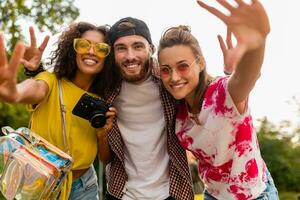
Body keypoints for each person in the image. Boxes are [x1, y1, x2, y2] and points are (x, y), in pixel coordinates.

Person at [157, 0, 279, 200]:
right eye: (165, 69)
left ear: (201, 63)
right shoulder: (178, 112)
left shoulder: (223, 93)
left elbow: (244, 78)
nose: (174, 77)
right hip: (213, 195)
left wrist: (257, 43)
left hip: (254, 195)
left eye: (183, 66)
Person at [0, 22, 117, 200]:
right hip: (40, 183)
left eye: (101, 48)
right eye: (83, 44)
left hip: (85, 187)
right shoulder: (52, 81)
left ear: (108, 57)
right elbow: (35, 88)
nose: (91, 52)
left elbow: (105, 159)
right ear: (72, 49)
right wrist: (15, 93)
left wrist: (102, 134)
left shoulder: (102, 101)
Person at [102, 17, 194, 200]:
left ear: (151, 49)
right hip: (121, 192)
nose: (130, 56)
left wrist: (229, 73)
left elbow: (208, 93)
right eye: (121, 48)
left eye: (138, 46)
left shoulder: (171, 80)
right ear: (112, 53)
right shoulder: (105, 88)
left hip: (172, 192)